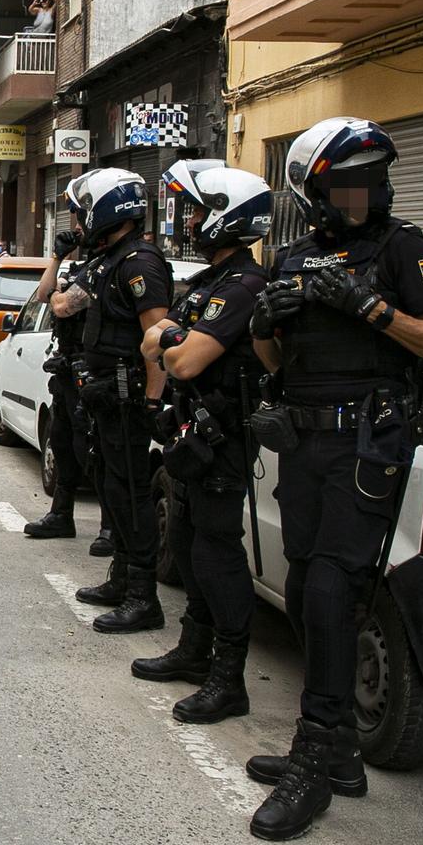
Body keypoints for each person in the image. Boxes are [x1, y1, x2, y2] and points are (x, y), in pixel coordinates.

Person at [246, 117, 423, 842]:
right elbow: (277, 368)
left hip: (367, 444)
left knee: (338, 588)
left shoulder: (405, 249)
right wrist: (266, 328)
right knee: (308, 589)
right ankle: (339, 748)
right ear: (315, 193)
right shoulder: (290, 257)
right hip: (304, 445)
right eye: (346, 183)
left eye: (370, 180)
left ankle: (315, 758)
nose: (361, 195)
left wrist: (370, 306)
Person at [135, 162, 276, 724]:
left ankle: (228, 677)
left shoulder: (245, 285)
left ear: (226, 217)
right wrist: (171, 340)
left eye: (198, 210)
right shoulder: (212, 281)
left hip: (224, 439)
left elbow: (182, 355)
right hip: (193, 432)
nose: (190, 220)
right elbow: (159, 345)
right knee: (193, 546)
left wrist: (170, 338)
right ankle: (195, 652)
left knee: (218, 555)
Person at [59, 168, 173, 631]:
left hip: (127, 398)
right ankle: (122, 579)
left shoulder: (141, 262)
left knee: (131, 496)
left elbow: (158, 337)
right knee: (111, 489)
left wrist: (151, 403)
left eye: (86, 212)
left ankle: (144, 598)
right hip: (105, 395)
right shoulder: (110, 259)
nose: (82, 222)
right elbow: (62, 303)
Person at [22, 187, 97, 547]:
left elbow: (62, 306)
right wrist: (57, 258)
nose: (77, 226)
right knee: (62, 443)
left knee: (96, 452)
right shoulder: (84, 266)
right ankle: (61, 514)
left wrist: (60, 294)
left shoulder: (111, 266)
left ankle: (112, 529)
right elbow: (44, 295)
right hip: (69, 372)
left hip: (96, 374)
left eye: (81, 218)